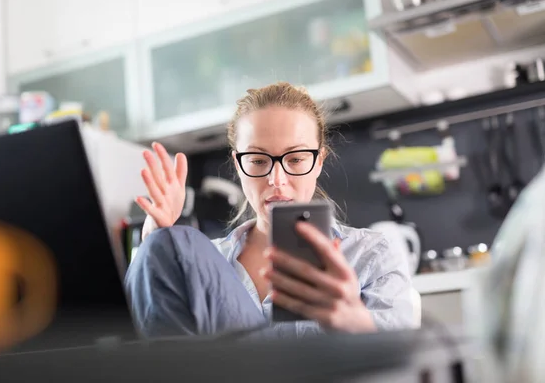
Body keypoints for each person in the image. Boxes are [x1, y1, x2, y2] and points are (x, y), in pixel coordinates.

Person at [124, 82, 415, 339]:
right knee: (169, 242)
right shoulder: (204, 263)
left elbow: (406, 363)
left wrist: (355, 324)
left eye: (297, 159)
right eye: (258, 161)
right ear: (238, 165)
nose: (276, 180)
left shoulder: (370, 255)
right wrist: (155, 244)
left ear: (319, 161)